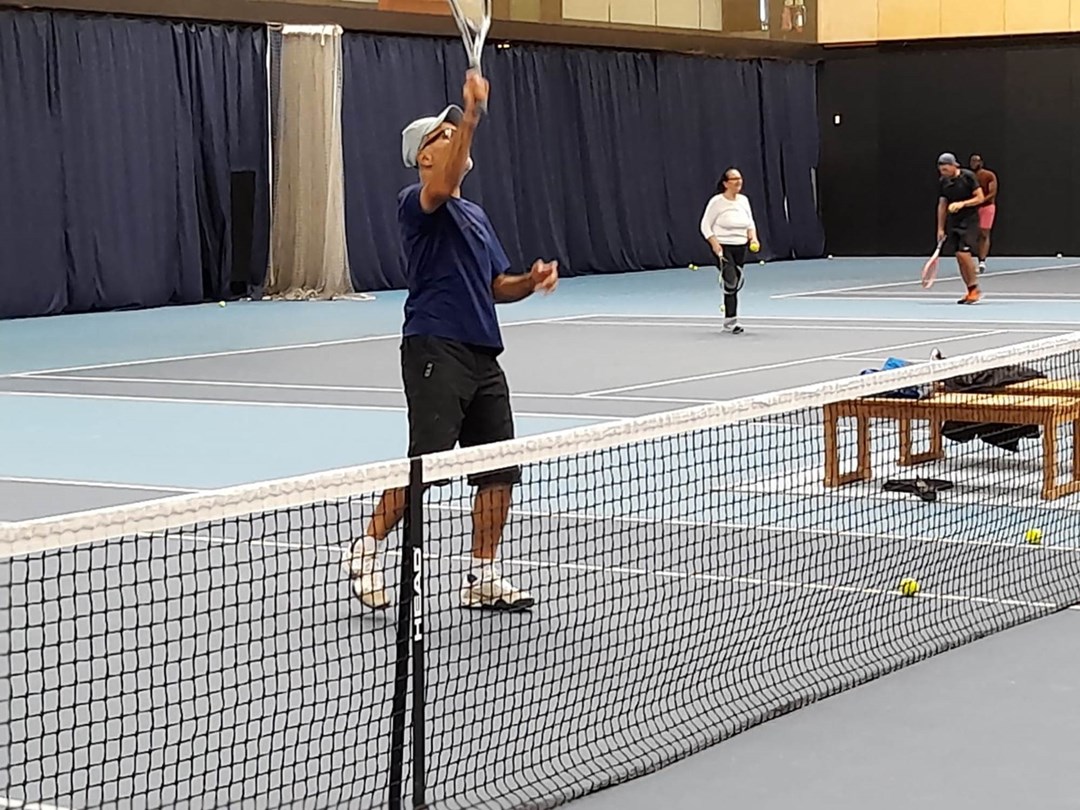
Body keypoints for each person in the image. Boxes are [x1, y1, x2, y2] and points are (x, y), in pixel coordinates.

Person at [342, 71, 559, 612]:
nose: (456, 137)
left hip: (484, 354)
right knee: (427, 463)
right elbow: (440, 187)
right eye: (446, 134)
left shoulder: (477, 216)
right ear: (425, 157)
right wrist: (474, 111)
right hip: (434, 347)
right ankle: (364, 551)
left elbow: (496, 286)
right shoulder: (417, 202)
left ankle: (482, 575)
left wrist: (530, 282)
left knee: (499, 470)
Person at [699, 168, 760, 334]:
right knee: (731, 282)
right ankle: (730, 323)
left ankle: (730, 320)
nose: (738, 181)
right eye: (734, 179)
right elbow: (705, 225)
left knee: (734, 283)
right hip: (722, 247)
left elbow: (750, 223)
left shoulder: (744, 201)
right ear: (725, 183)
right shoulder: (717, 202)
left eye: (740, 178)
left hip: (741, 247)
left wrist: (753, 238)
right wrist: (714, 244)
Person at [936, 153, 985, 305]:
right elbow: (942, 205)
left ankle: (975, 289)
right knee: (959, 257)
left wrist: (962, 204)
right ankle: (971, 290)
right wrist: (940, 228)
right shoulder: (943, 182)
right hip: (954, 222)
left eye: (945, 169)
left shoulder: (968, 176)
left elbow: (980, 198)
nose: (943, 172)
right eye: (941, 170)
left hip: (969, 221)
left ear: (954, 166)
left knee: (964, 254)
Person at [969, 154, 998, 274]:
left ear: (981, 162)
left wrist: (981, 200)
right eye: (972, 161)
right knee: (971, 234)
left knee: (984, 234)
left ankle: (982, 261)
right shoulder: (968, 176)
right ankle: (970, 261)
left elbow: (992, 193)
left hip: (987, 208)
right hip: (972, 209)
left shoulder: (989, 175)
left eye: (976, 161)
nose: (974, 163)